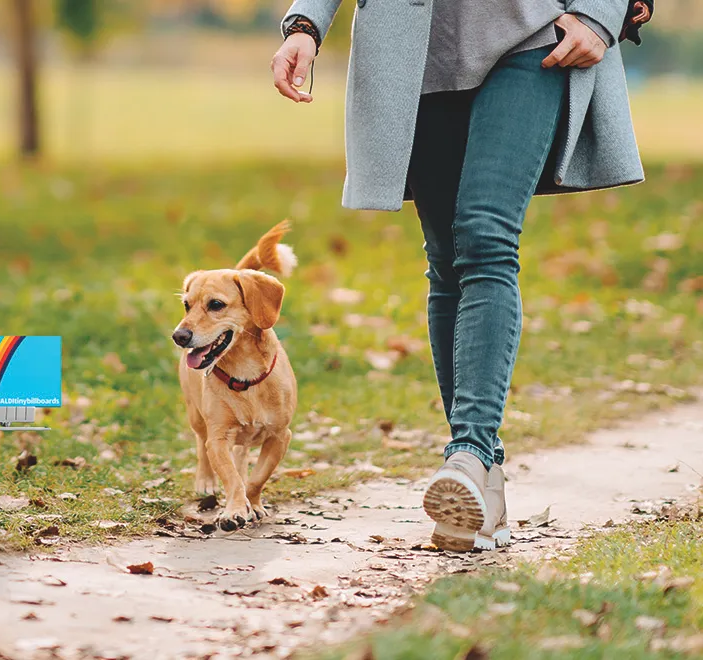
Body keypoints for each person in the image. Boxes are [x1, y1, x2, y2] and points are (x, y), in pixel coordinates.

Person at [272, 0, 643, 552]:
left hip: (535, 36)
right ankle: (483, 480)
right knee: (447, 259)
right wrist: (306, 25)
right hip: (416, 52)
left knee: (485, 236)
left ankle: (467, 451)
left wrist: (600, 12)